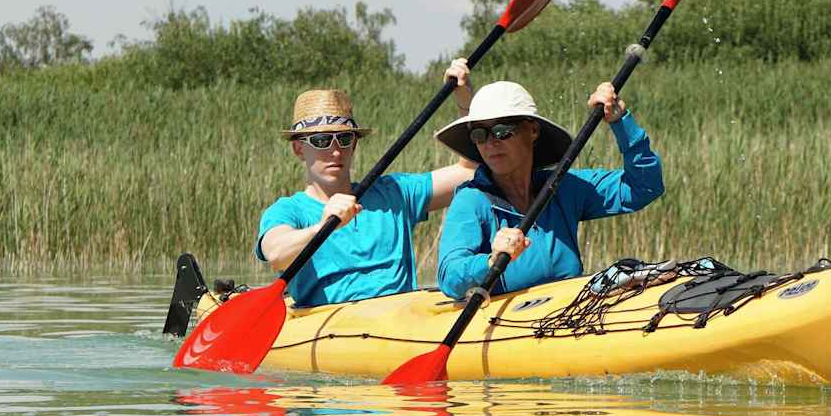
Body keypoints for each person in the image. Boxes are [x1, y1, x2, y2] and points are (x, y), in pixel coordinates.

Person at [256, 60, 477, 306]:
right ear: (299, 149)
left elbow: (469, 171)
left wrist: (465, 103)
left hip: (402, 324)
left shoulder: (395, 192)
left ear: (355, 144)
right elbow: (276, 255)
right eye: (321, 141)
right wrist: (322, 226)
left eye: (344, 139)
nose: (336, 151)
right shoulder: (288, 210)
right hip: (333, 330)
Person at [434, 80, 664, 299]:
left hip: (566, 319)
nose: (490, 143)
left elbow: (643, 187)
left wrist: (620, 122)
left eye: (502, 131)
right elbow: (449, 277)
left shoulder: (563, 187)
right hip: (509, 330)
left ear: (533, 130)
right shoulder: (471, 201)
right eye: (479, 134)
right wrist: (490, 261)